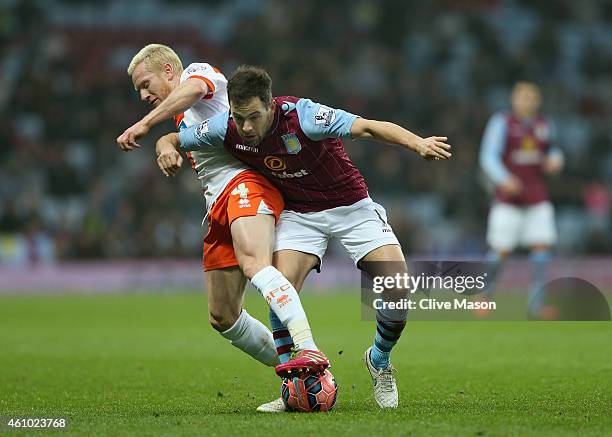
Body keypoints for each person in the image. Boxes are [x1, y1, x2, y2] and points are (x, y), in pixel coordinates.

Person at [156, 65, 452, 409]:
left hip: (350, 205)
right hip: (299, 214)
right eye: (239, 117)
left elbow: (367, 127)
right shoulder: (226, 126)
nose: (247, 127)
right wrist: (165, 147)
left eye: (253, 116)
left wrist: (418, 143)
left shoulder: (304, 116)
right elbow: (175, 138)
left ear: (270, 104)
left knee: (398, 288)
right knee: (280, 287)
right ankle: (293, 386)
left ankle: (379, 360)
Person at [116, 45, 329, 398]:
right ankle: (300, 380)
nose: (142, 95)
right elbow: (174, 137)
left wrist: (144, 125)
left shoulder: (200, 76)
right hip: (219, 206)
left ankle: (308, 349)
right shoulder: (181, 118)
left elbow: (197, 89)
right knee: (223, 317)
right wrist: (163, 146)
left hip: (246, 186)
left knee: (255, 265)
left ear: (169, 71)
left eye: (145, 83)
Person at [479, 81, 563, 317]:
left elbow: (553, 150)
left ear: (538, 100)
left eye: (532, 97)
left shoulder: (544, 125)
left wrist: (557, 159)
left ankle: (537, 305)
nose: (529, 102)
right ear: (514, 100)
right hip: (508, 199)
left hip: (537, 196)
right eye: (524, 97)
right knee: (500, 251)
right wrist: (503, 178)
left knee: (541, 249)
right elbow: (488, 156)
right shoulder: (502, 122)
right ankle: (485, 296)